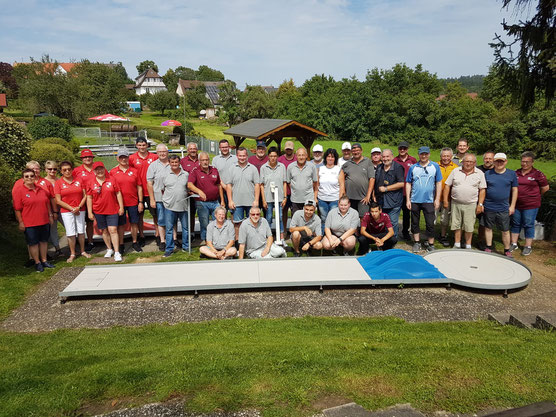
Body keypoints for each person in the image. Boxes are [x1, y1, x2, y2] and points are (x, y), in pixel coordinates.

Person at [12, 161, 58, 266]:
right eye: (32, 170)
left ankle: (44, 259)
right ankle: (34, 260)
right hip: (29, 219)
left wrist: (52, 213)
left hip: (43, 218)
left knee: (43, 240)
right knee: (32, 241)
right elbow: (17, 206)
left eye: (36, 169)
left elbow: (49, 199)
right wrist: (20, 221)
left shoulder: (42, 185)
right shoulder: (19, 185)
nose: (34, 172)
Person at [510, 151, 549, 256]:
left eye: (527, 162)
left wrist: (535, 195)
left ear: (532, 162)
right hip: (517, 204)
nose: (524, 164)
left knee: (528, 224)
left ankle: (528, 246)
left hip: (531, 205)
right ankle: (514, 243)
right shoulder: (516, 173)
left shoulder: (537, 174)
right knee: (515, 223)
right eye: (523, 161)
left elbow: (545, 187)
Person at [443, 154, 486, 249]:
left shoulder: (479, 173)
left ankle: (468, 245)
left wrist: (480, 204)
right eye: (466, 161)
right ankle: (457, 244)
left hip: (471, 204)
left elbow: (482, 190)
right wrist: (445, 200)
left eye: (471, 162)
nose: (468, 163)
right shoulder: (455, 171)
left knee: (469, 225)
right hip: (456, 203)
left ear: (474, 163)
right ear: (463, 161)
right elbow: (447, 186)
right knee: (456, 224)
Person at [406, 146, 443, 253]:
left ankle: (430, 243)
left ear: (429, 154)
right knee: (414, 222)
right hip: (415, 200)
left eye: (426, 154)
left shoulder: (435, 166)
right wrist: (408, 199)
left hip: (429, 200)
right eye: (422, 154)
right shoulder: (413, 167)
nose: (424, 156)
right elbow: (408, 183)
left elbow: (439, 182)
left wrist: (437, 199)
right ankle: (417, 243)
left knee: (430, 223)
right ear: (419, 155)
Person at [86, 162, 124, 262]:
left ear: (104, 169)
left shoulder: (112, 179)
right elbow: (89, 197)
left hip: (112, 209)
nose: (99, 171)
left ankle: (116, 252)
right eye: (97, 169)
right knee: (104, 230)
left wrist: (121, 207)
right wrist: (90, 212)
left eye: (101, 168)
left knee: (113, 230)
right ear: (94, 171)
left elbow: (118, 193)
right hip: (98, 210)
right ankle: (109, 249)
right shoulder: (91, 182)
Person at [55, 160, 91, 263]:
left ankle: (83, 251)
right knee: (70, 232)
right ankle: (72, 253)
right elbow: (58, 200)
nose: (67, 171)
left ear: (72, 169)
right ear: (61, 171)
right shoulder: (58, 183)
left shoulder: (79, 180)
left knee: (81, 231)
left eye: (69, 169)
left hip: (80, 209)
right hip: (66, 211)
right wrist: (71, 208)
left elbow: (85, 195)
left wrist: (78, 207)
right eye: (64, 170)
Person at [483, 153, 518, 257]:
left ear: (506, 162)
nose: (499, 163)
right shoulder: (488, 174)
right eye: (497, 161)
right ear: (494, 161)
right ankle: (488, 247)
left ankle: (507, 249)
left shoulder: (511, 174)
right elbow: (483, 189)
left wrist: (512, 206)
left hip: (503, 207)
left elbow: (515, 190)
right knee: (488, 228)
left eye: (501, 161)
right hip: (489, 205)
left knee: (505, 230)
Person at [110, 147, 144, 253]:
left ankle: (134, 242)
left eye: (125, 157)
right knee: (120, 224)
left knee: (134, 223)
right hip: (119, 204)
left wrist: (140, 202)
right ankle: (121, 244)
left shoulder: (134, 171)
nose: (123, 159)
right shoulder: (113, 172)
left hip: (133, 202)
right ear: (118, 159)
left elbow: (139, 187)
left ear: (128, 158)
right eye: (121, 157)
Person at [187, 151, 224, 244]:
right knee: (205, 223)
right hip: (202, 202)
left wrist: (222, 200)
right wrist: (199, 191)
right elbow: (189, 185)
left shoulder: (214, 170)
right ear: (199, 161)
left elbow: (219, 185)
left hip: (215, 201)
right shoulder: (195, 171)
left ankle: (218, 240)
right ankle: (206, 241)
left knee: (219, 221)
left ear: (209, 160)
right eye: (203, 160)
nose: (205, 162)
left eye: (206, 160)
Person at [226, 147, 261, 239]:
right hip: (236, 202)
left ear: (247, 156)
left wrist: (256, 200)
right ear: (237, 156)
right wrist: (230, 200)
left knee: (253, 223)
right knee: (237, 224)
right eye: (240, 156)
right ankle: (238, 243)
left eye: (244, 156)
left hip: (251, 202)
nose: (242, 158)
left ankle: (252, 242)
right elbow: (229, 185)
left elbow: (257, 185)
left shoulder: (253, 168)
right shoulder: (232, 168)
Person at [129, 137, 157, 246]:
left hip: (151, 191)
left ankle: (158, 234)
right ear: (136, 146)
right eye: (139, 145)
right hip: (137, 192)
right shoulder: (132, 158)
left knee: (155, 215)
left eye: (143, 145)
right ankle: (141, 235)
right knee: (139, 216)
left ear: (147, 145)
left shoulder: (153, 157)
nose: (142, 147)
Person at [161, 155, 190, 257]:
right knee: (169, 229)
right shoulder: (164, 175)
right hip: (170, 206)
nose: (174, 164)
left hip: (183, 206)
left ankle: (186, 246)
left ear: (179, 163)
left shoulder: (185, 174)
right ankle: (169, 248)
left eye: (176, 162)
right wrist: (166, 201)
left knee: (185, 228)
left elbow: (188, 188)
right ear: (169, 163)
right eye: (172, 162)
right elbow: (162, 189)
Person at [373, 149, 404, 238]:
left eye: (387, 156)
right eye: (384, 157)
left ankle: (392, 242)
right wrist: (374, 194)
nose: (385, 159)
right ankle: (383, 242)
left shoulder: (398, 168)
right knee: (381, 222)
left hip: (393, 201)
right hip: (381, 201)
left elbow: (401, 183)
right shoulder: (379, 167)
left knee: (392, 223)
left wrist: (386, 189)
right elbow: (376, 182)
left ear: (392, 157)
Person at [338, 143, 375, 218]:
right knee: (351, 218)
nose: (356, 152)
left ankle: (362, 230)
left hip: (363, 198)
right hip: (350, 197)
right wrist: (343, 192)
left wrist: (368, 195)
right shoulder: (347, 164)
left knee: (363, 218)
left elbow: (372, 178)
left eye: (358, 150)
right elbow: (341, 177)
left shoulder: (368, 162)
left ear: (361, 151)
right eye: (354, 151)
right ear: (351, 152)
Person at [146, 144, 171, 251]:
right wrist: (152, 199)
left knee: (172, 220)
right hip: (159, 198)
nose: (162, 153)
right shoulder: (153, 166)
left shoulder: (173, 163)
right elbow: (149, 183)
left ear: (167, 152)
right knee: (161, 220)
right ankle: (162, 240)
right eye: (160, 152)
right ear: (157, 153)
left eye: (164, 151)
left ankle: (173, 239)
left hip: (172, 198)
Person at [260, 147, 287, 241]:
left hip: (279, 197)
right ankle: (268, 237)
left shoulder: (282, 167)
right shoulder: (264, 168)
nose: (273, 158)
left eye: (275, 156)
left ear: (277, 157)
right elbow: (262, 185)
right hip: (268, 197)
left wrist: (285, 197)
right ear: (268, 156)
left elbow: (284, 182)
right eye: (271, 156)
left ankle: (281, 237)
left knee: (279, 217)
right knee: (269, 217)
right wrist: (263, 200)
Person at [73, 149, 98, 252]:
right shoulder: (76, 170)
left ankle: (93, 242)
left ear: (92, 158)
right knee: (84, 222)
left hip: (97, 199)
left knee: (93, 221)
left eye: (89, 157)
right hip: (83, 200)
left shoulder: (98, 168)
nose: (87, 159)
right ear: (82, 159)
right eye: (85, 157)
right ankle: (83, 242)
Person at [393, 141, 416, 241]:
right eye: (400, 148)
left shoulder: (413, 160)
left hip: (408, 192)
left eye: (404, 148)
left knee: (407, 214)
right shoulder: (394, 160)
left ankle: (405, 232)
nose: (402, 150)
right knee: (394, 213)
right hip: (396, 192)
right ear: (398, 149)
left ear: (407, 149)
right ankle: (393, 232)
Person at [437, 148, 459, 247]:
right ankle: (431, 236)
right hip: (435, 197)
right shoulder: (435, 165)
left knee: (444, 219)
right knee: (431, 218)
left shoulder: (456, 168)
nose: (445, 158)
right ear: (441, 156)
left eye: (448, 156)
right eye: (444, 156)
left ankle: (443, 235)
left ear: (451, 157)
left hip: (448, 198)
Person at [287, 148, 318, 216]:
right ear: (296, 156)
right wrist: (296, 189)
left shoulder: (312, 166)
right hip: (295, 199)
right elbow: (288, 182)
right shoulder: (290, 167)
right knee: (296, 220)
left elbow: (315, 183)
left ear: (306, 155)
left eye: (303, 155)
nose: (301, 157)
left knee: (309, 220)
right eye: (299, 155)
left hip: (308, 199)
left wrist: (315, 197)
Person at [317, 148, 341, 234]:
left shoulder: (338, 169)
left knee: (333, 220)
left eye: (332, 157)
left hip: (334, 199)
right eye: (328, 156)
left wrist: (340, 199)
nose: (330, 158)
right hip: (322, 198)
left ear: (335, 159)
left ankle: (332, 237)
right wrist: (315, 197)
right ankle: (323, 236)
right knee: (323, 219)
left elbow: (342, 186)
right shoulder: (320, 169)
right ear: (325, 157)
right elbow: (317, 185)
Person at [277, 140, 297, 236]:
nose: (288, 151)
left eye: (290, 149)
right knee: (284, 212)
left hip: (295, 191)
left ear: (293, 149)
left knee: (295, 212)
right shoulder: (280, 159)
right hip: (283, 191)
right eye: (287, 149)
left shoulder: (297, 159)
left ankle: (293, 230)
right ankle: (284, 230)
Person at [476, 151, 495, 250]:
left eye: (490, 159)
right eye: (486, 158)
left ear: (494, 160)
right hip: (474, 199)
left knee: (483, 223)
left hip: (488, 201)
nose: (487, 160)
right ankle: (465, 240)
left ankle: (481, 240)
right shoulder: (478, 169)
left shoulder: (496, 170)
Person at [44, 160, 62, 257]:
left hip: (62, 207)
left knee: (69, 227)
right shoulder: (43, 182)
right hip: (51, 209)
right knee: (53, 229)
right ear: (46, 170)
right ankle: (57, 248)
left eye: (54, 169)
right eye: (50, 169)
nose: (52, 171)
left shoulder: (59, 180)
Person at [212, 139, 238, 208]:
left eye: (226, 147)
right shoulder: (215, 159)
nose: (225, 149)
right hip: (221, 189)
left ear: (229, 147)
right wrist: (223, 185)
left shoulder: (236, 158)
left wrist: (229, 187)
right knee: (222, 210)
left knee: (233, 209)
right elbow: (215, 174)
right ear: (220, 148)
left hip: (233, 188)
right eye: (223, 147)